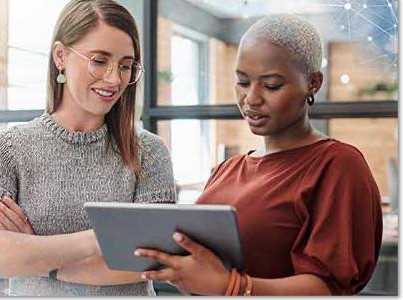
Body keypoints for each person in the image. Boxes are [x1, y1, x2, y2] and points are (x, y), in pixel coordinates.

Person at [134, 14, 383, 296]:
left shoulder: (338, 166)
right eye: (242, 82)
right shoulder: (227, 169)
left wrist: (231, 287)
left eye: (271, 85)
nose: (251, 98)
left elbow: (329, 288)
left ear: (313, 83)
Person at [0, 0, 175, 296]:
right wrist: (98, 239)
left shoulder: (149, 152)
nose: (114, 79)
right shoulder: (7, 149)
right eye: (99, 61)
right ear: (60, 56)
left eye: (126, 66)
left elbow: (152, 260)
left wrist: (40, 258)